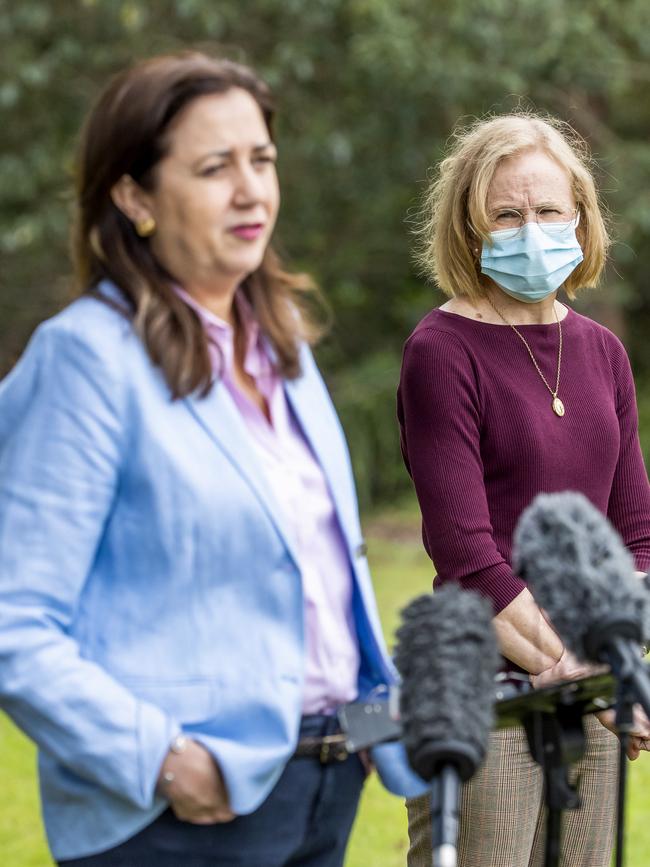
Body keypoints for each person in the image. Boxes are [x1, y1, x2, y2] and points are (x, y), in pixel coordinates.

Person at [0, 51, 396, 867]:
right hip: (181, 823)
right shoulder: (85, 359)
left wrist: (371, 722)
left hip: (327, 782)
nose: (251, 190)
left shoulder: (283, 346)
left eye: (262, 160)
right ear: (134, 195)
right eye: (215, 168)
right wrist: (163, 760)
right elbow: (14, 622)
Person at [397, 112, 650, 867]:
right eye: (506, 214)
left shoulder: (602, 351)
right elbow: (465, 550)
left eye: (547, 210)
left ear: (580, 217)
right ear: (471, 230)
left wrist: (613, 662)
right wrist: (578, 666)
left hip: (596, 687)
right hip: (490, 694)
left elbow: (636, 528)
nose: (530, 228)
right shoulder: (440, 351)